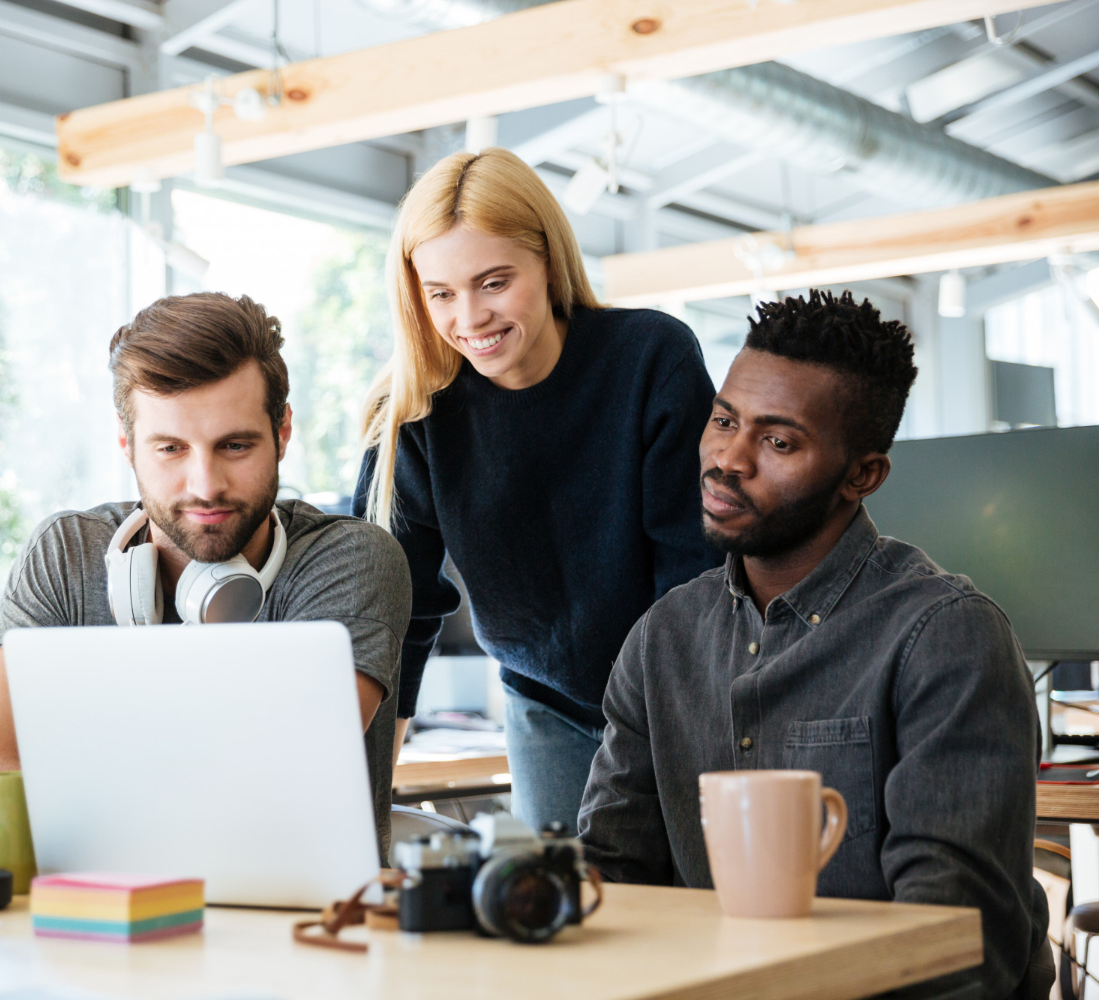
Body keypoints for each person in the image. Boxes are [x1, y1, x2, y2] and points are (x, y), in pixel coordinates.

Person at [579, 289, 1052, 998]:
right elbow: (612, 877)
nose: (728, 459)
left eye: (778, 442)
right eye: (723, 421)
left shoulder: (946, 636)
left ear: (862, 476)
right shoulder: (663, 640)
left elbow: (960, 944)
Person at [0, 292, 412, 859]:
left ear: (283, 433)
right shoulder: (65, 556)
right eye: (170, 448)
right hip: (93, 925)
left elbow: (271, 805)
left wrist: (68, 778)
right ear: (127, 446)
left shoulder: (351, 561)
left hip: (300, 936)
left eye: (235, 445)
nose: (205, 485)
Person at [353, 147, 720, 834]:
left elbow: (693, 578)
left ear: (547, 260)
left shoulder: (650, 357)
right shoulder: (411, 413)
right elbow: (393, 615)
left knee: (687, 912)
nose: (469, 318)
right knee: (567, 923)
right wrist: (360, 802)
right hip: (546, 703)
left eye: (493, 282)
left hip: (679, 691)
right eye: (440, 293)